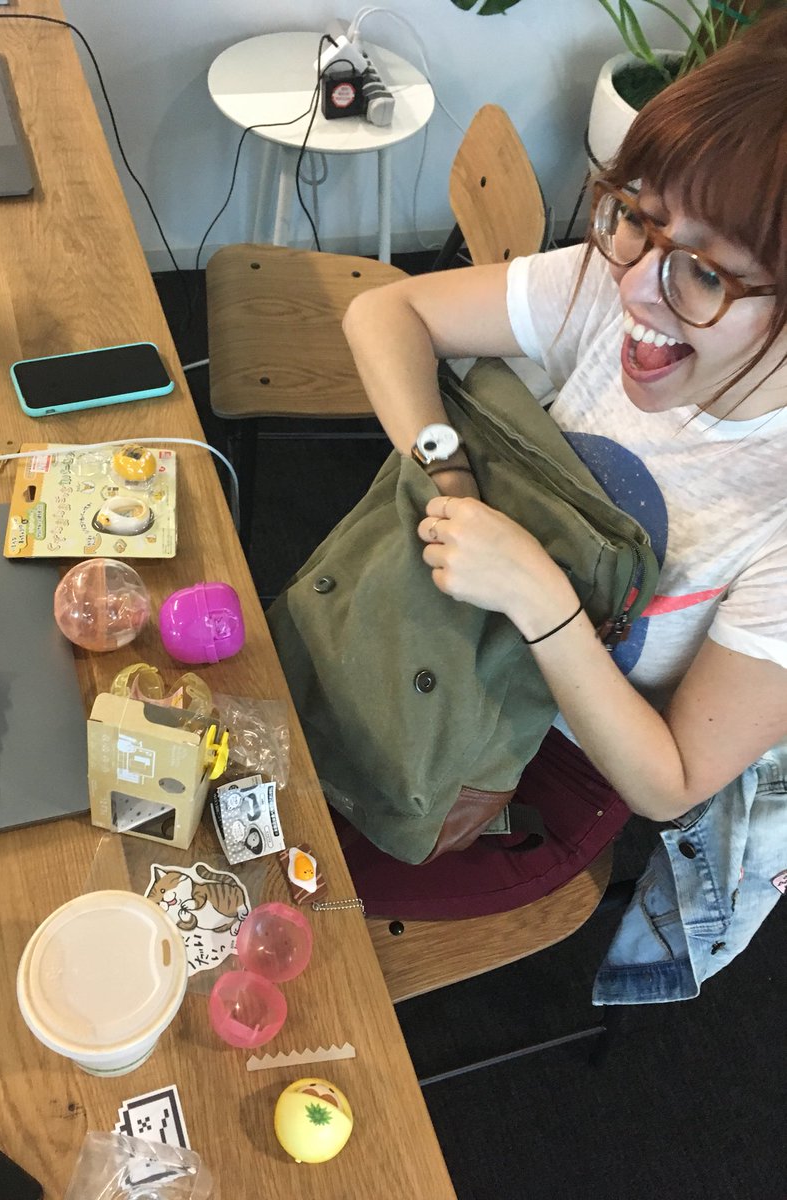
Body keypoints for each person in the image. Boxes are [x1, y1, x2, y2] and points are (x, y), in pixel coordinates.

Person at [336, 12, 787, 1002]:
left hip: (544, 775)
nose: (637, 294)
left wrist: (540, 596)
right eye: (633, 212)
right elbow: (387, 312)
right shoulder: (620, 273)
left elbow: (669, 781)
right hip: (437, 632)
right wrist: (445, 463)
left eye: (705, 272)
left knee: (288, 878)